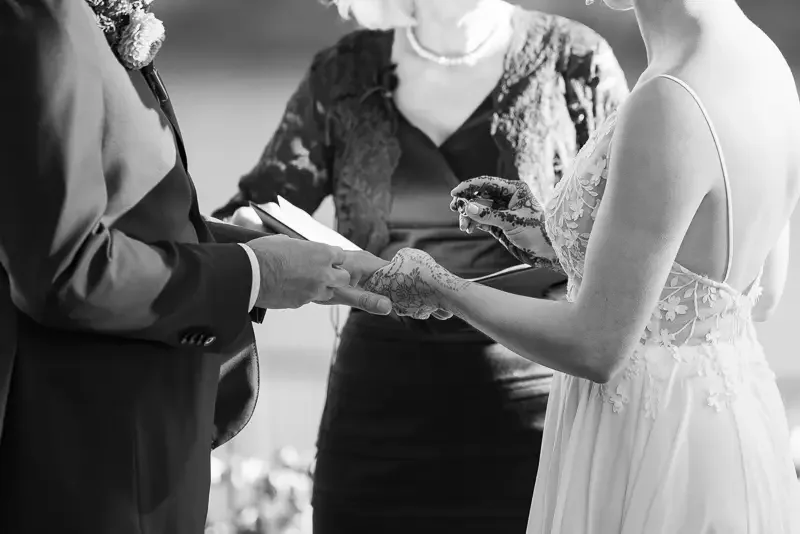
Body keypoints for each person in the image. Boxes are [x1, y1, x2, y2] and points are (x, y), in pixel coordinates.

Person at [363, 0, 800, 530]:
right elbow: (753, 291)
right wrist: (554, 239)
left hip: (651, 440)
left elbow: (596, 345)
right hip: (732, 425)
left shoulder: (670, 98)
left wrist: (441, 287)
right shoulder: (764, 60)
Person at [213, 0, 629, 531]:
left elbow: (627, 240)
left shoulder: (575, 60)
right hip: (376, 412)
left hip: (534, 409)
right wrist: (246, 233)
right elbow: (257, 208)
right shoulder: (344, 72)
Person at [0, 2, 391, 533]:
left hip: (143, 455)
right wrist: (255, 273)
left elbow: (117, 220)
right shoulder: (42, 16)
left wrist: (254, 250)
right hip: (89, 466)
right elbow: (66, 269)